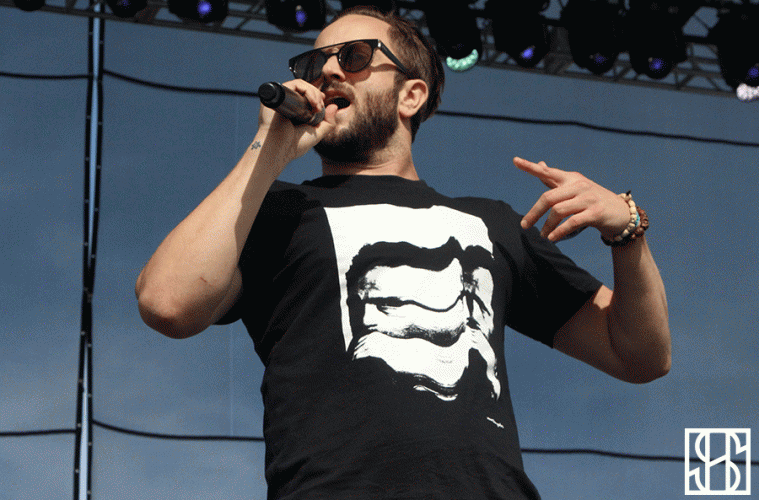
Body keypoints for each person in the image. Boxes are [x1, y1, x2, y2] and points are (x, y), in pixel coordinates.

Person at [135, 6, 671, 499]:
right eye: (314, 63)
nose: (328, 72)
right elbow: (167, 303)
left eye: (354, 57)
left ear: (410, 95)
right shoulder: (278, 211)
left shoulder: (490, 224)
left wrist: (627, 231)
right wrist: (267, 151)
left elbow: (639, 354)